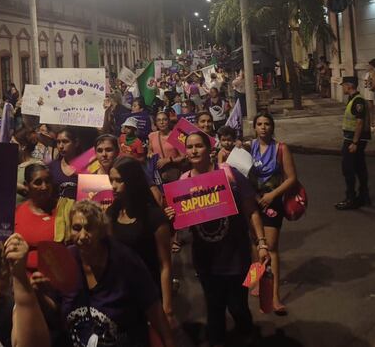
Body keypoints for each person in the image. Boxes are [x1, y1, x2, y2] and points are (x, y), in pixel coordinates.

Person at [166, 131, 270, 347]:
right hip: (205, 260)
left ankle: (247, 333)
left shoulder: (229, 174)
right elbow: (181, 225)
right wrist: (172, 217)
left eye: (199, 146)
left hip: (236, 257)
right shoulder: (183, 182)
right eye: (190, 147)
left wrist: (261, 243)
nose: (194, 150)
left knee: (238, 305)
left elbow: (251, 211)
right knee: (214, 307)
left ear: (209, 149)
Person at [61, 200, 175, 347]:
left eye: (89, 228)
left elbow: (154, 310)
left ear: (101, 231)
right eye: (76, 228)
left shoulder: (125, 260)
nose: (82, 236)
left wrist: (169, 341)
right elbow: (57, 315)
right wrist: (40, 293)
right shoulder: (66, 260)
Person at [107, 157, 176, 329]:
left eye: (119, 180)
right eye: (111, 180)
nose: (113, 186)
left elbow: (165, 265)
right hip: (120, 293)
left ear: (132, 181)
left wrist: (167, 309)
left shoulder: (154, 217)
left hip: (149, 294)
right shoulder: (112, 212)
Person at [248, 112, 298, 316]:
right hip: (252, 202)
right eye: (259, 124)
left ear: (272, 126)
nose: (263, 127)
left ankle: (274, 297)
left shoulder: (281, 148)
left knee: (271, 248)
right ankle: (256, 281)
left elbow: (291, 178)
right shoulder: (248, 147)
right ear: (254, 127)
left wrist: (273, 195)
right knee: (254, 244)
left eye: (267, 124)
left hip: (272, 203)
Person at [14, 163, 71, 274]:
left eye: (48, 181)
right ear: (26, 185)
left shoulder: (66, 209)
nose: (44, 187)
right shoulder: (17, 213)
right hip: (24, 282)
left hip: (57, 280)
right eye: (38, 182)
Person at [337, 76, 371, 210]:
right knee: (359, 167)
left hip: (354, 140)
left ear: (349, 85)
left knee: (348, 169)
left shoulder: (358, 101)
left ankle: (351, 198)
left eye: (344, 85)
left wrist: (355, 142)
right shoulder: (353, 99)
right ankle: (363, 196)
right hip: (352, 139)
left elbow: (359, 122)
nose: (343, 88)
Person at [148, 111, 187, 184]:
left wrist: (168, 160)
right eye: (159, 120)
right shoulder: (152, 136)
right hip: (158, 174)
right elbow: (150, 151)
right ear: (156, 123)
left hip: (174, 172)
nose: (161, 122)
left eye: (164, 119)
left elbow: (183, 157)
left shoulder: (176, 135)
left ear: (168, 121)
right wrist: (150, 154)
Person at [49, 128, 82, 200]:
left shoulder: (86, 166)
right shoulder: (52, 166)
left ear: (76, 143)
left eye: (65, 141)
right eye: (58, 142)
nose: (61, 146)